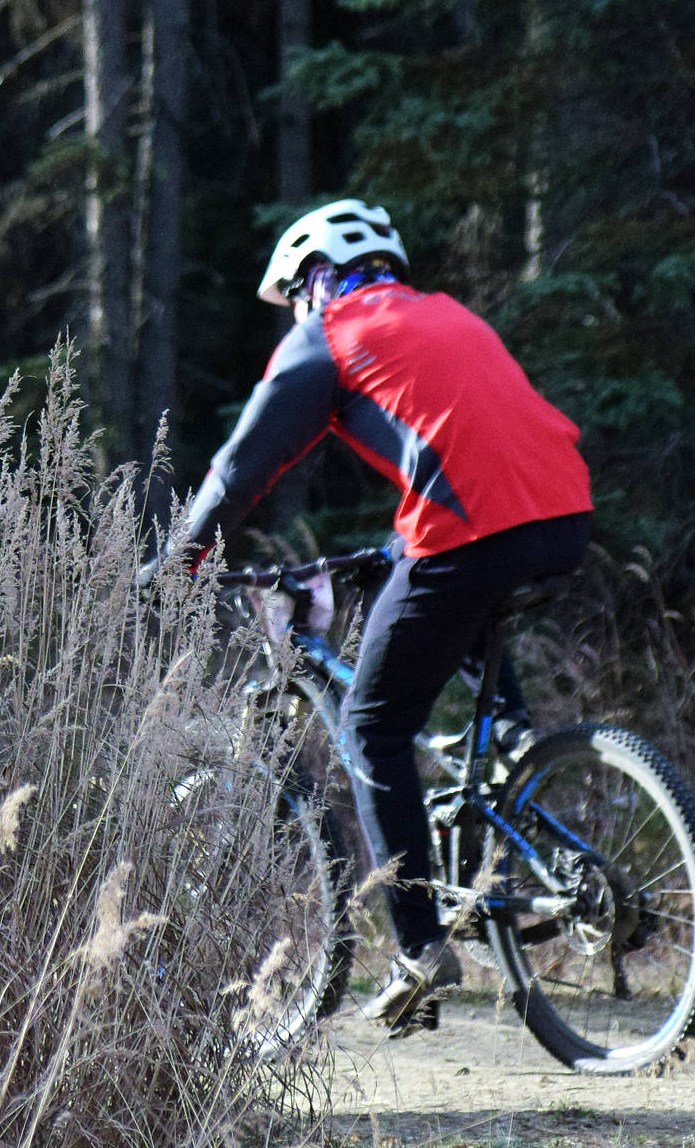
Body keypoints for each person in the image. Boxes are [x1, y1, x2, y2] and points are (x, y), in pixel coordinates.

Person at [151, 198, 593, 1033]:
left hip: (473, 532)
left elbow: (243, 465)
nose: (299, 310)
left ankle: (419, 948)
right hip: (564, 515)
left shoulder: (330, 333)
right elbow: (464, 444)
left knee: (372, 729)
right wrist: (391, 551)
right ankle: (512, 754)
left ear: (313, 279)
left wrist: (181, 557)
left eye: (295, 296)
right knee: (435, 578)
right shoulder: (445, 314)